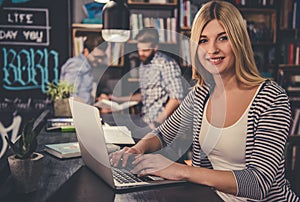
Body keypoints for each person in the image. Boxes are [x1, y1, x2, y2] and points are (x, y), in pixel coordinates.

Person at [110, 1, 300, 201]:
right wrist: (137, 149)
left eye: (223, 38)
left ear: (239, 41)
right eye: (203, 40)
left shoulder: (271, 97)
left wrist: (179, 170)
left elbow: (258, 183)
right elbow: (164, 134)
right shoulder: (200, 95)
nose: (212, 49)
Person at [104, 27, 184, 133]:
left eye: (145, 50)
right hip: (145, 119)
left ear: (155, 47)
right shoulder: (143, 64)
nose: (141, 53)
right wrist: (117, 99)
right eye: (139, 49)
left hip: (158, 125)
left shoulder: (166, 63)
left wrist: (157, 123)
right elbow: (144, 95)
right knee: (107, 119)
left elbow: (177, 98)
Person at [60, 33, 108, 105]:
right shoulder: (76, 64)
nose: (100, 61)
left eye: (101, 57)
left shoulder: (87, 66)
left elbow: (83, 94)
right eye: (96, 57)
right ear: (86, 51)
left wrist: (97, 100)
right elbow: (70, 95)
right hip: (77, 112)